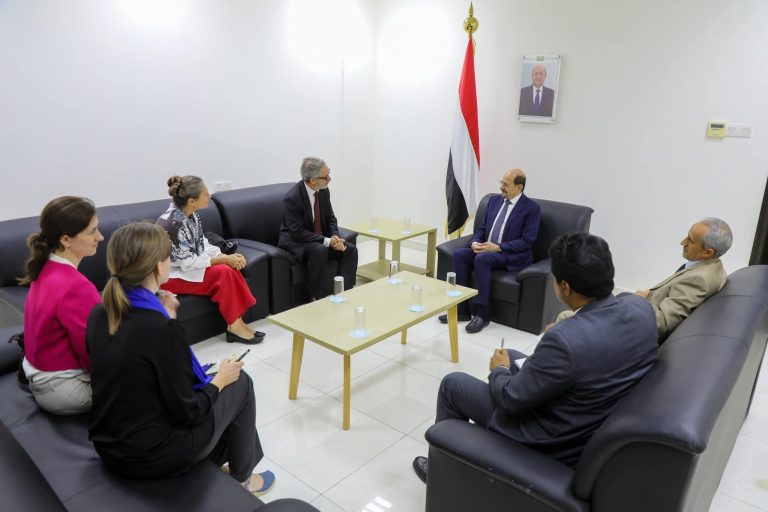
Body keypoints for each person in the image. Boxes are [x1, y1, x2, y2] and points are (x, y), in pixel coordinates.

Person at [413, 233, 658, 482]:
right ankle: (473, 448)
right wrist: (567, 331)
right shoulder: (641, 308)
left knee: (453, 384)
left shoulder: (565, 341)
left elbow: (511, 398)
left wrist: (499, 371)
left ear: (565, 287)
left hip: (546, 436)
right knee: (512, 356)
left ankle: (439, 473)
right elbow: (597, 342)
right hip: (586, 416)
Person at [87, 221, 274, 496]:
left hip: (111, 447)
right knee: (240, 382)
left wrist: (167, 319)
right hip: (150, 457)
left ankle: (234, 465)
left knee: (219, 384)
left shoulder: (99, 313)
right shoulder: (161, 329)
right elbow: (189, 412)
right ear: (159, 267)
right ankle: (242, 480)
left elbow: (141, 369)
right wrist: (220, 381)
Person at [555, 218, 732, 343]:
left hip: (636, 326)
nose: (682, 242)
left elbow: (662, 323)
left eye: (690, 241)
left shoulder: (699, 280)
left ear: (708, 252)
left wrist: (640, 300)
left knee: (566, 317)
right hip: (639, 312)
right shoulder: (711, 267)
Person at [19, 196, 103, 415]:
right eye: (93, 231)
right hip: (62, 392)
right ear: (66, 240)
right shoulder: (76, 286)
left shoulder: (45, 267)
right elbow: (93, 352)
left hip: (41, 379)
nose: (100, 237)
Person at [157, 175, 264, 345]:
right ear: (192, 201)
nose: (210, 196)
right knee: (223, 272)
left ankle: (238, 322)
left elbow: (203, 243)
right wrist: (222, 261)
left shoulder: (191, 214)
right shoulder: (171, 224)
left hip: (187, 267)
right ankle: (234, 327)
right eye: (205, 194)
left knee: (229, 267)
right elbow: (186, 263)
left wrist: (223, 256)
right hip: (169, 276)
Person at [438, 168, 541, 333]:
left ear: (519, 187)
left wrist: (498, 247)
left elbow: (527, 242)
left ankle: (482, 315)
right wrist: (475, 242)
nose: (501, 187)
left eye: (506, 185)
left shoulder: (531, 209)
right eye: (501, 182)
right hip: (486, 249)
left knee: (482, 259)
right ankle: (461, 310)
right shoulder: (494, 201)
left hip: (509, 254)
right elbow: (481, 228)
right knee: (459, 255)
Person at [278, 157, 358, 300]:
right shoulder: (292, 198)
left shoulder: (323, 191)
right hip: (297, 242)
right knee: (320, 250)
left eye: (329, 173)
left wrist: (334, 236)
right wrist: (327, 241)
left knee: (350, 250)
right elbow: (298, 233)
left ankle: (343, 292)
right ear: (312, 180)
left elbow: (330, 218)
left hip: (318, 240)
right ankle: (316, 298)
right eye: (326, 177)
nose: (330, 179)